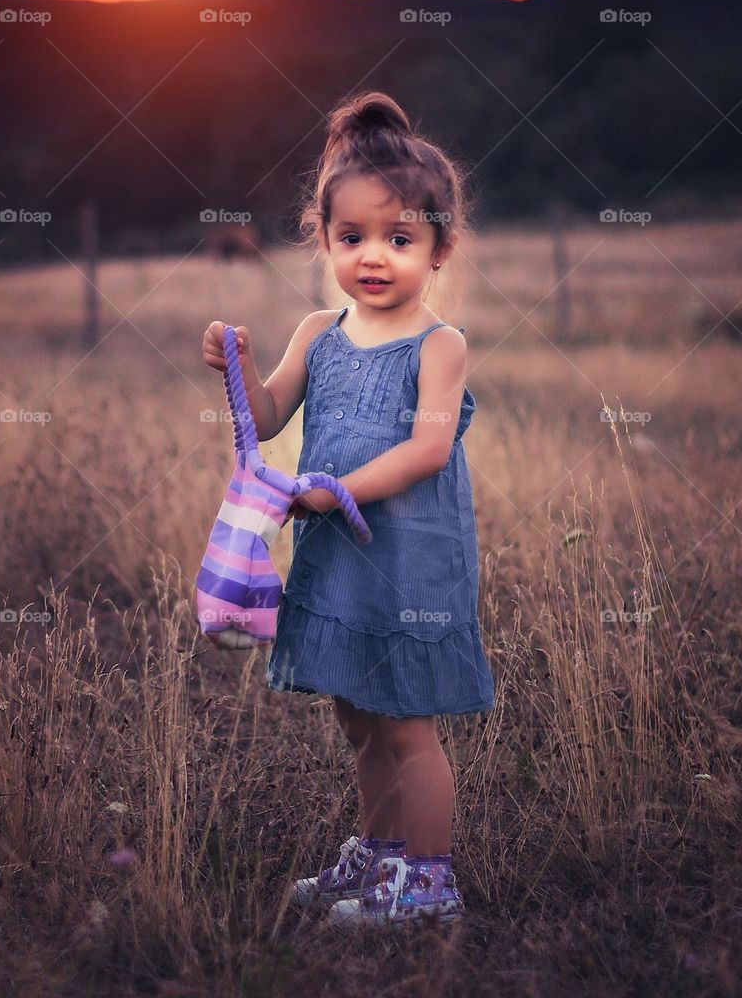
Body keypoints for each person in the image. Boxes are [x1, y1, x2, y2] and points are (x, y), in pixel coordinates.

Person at [201, 90, 494, 928]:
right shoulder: (316, 333)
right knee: (359, 720)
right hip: (337, 560)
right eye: (352, 236)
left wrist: (334, 490)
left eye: (399, 239)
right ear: (323, 238)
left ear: (439, 248)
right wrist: (235, 366)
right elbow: (264, 420)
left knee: (405, 726)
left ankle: (428, 883)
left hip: (408, 562)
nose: (374, 256)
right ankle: (378, 854)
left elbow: (427, 449)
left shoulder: (440, 346)